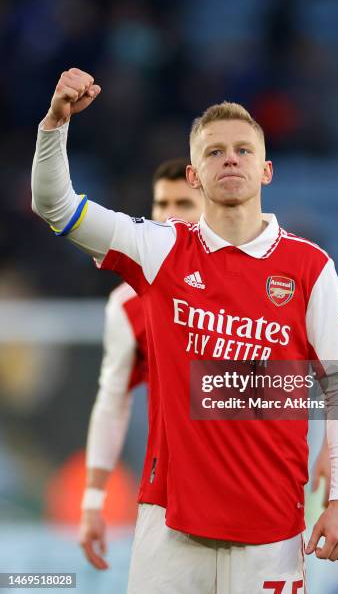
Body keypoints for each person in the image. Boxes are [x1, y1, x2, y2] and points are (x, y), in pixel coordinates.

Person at [32, 67, 338, 593]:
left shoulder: (309, 266)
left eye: (242, 150)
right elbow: (55, 206)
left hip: (273, 529)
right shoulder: (159, 248)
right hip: (169, 526)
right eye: (213, 152)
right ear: (193, 176)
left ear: (266, 170)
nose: (229, 159)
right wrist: (55, 125)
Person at [79, 158, 203, 570]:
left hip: (258, 486)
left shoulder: (256, 280)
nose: (169, 215)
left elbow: (302, 379)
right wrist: (94, 498)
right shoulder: (127, 306)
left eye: (183, 204)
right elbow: (112, 401)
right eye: (160, 204)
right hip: (171, 495)